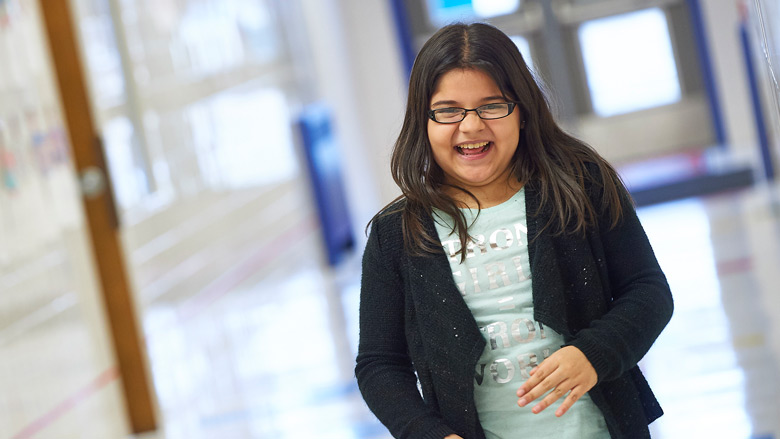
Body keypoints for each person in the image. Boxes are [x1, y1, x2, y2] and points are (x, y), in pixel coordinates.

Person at [355, 22, 673, 439]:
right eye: (448, 110)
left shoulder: (580, 186)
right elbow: (380, 364)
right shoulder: (396, 234)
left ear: (521, 111)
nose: (470, 127)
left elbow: (648, 291)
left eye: (492, 106)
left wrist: (594, 354)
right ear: (424, 121)